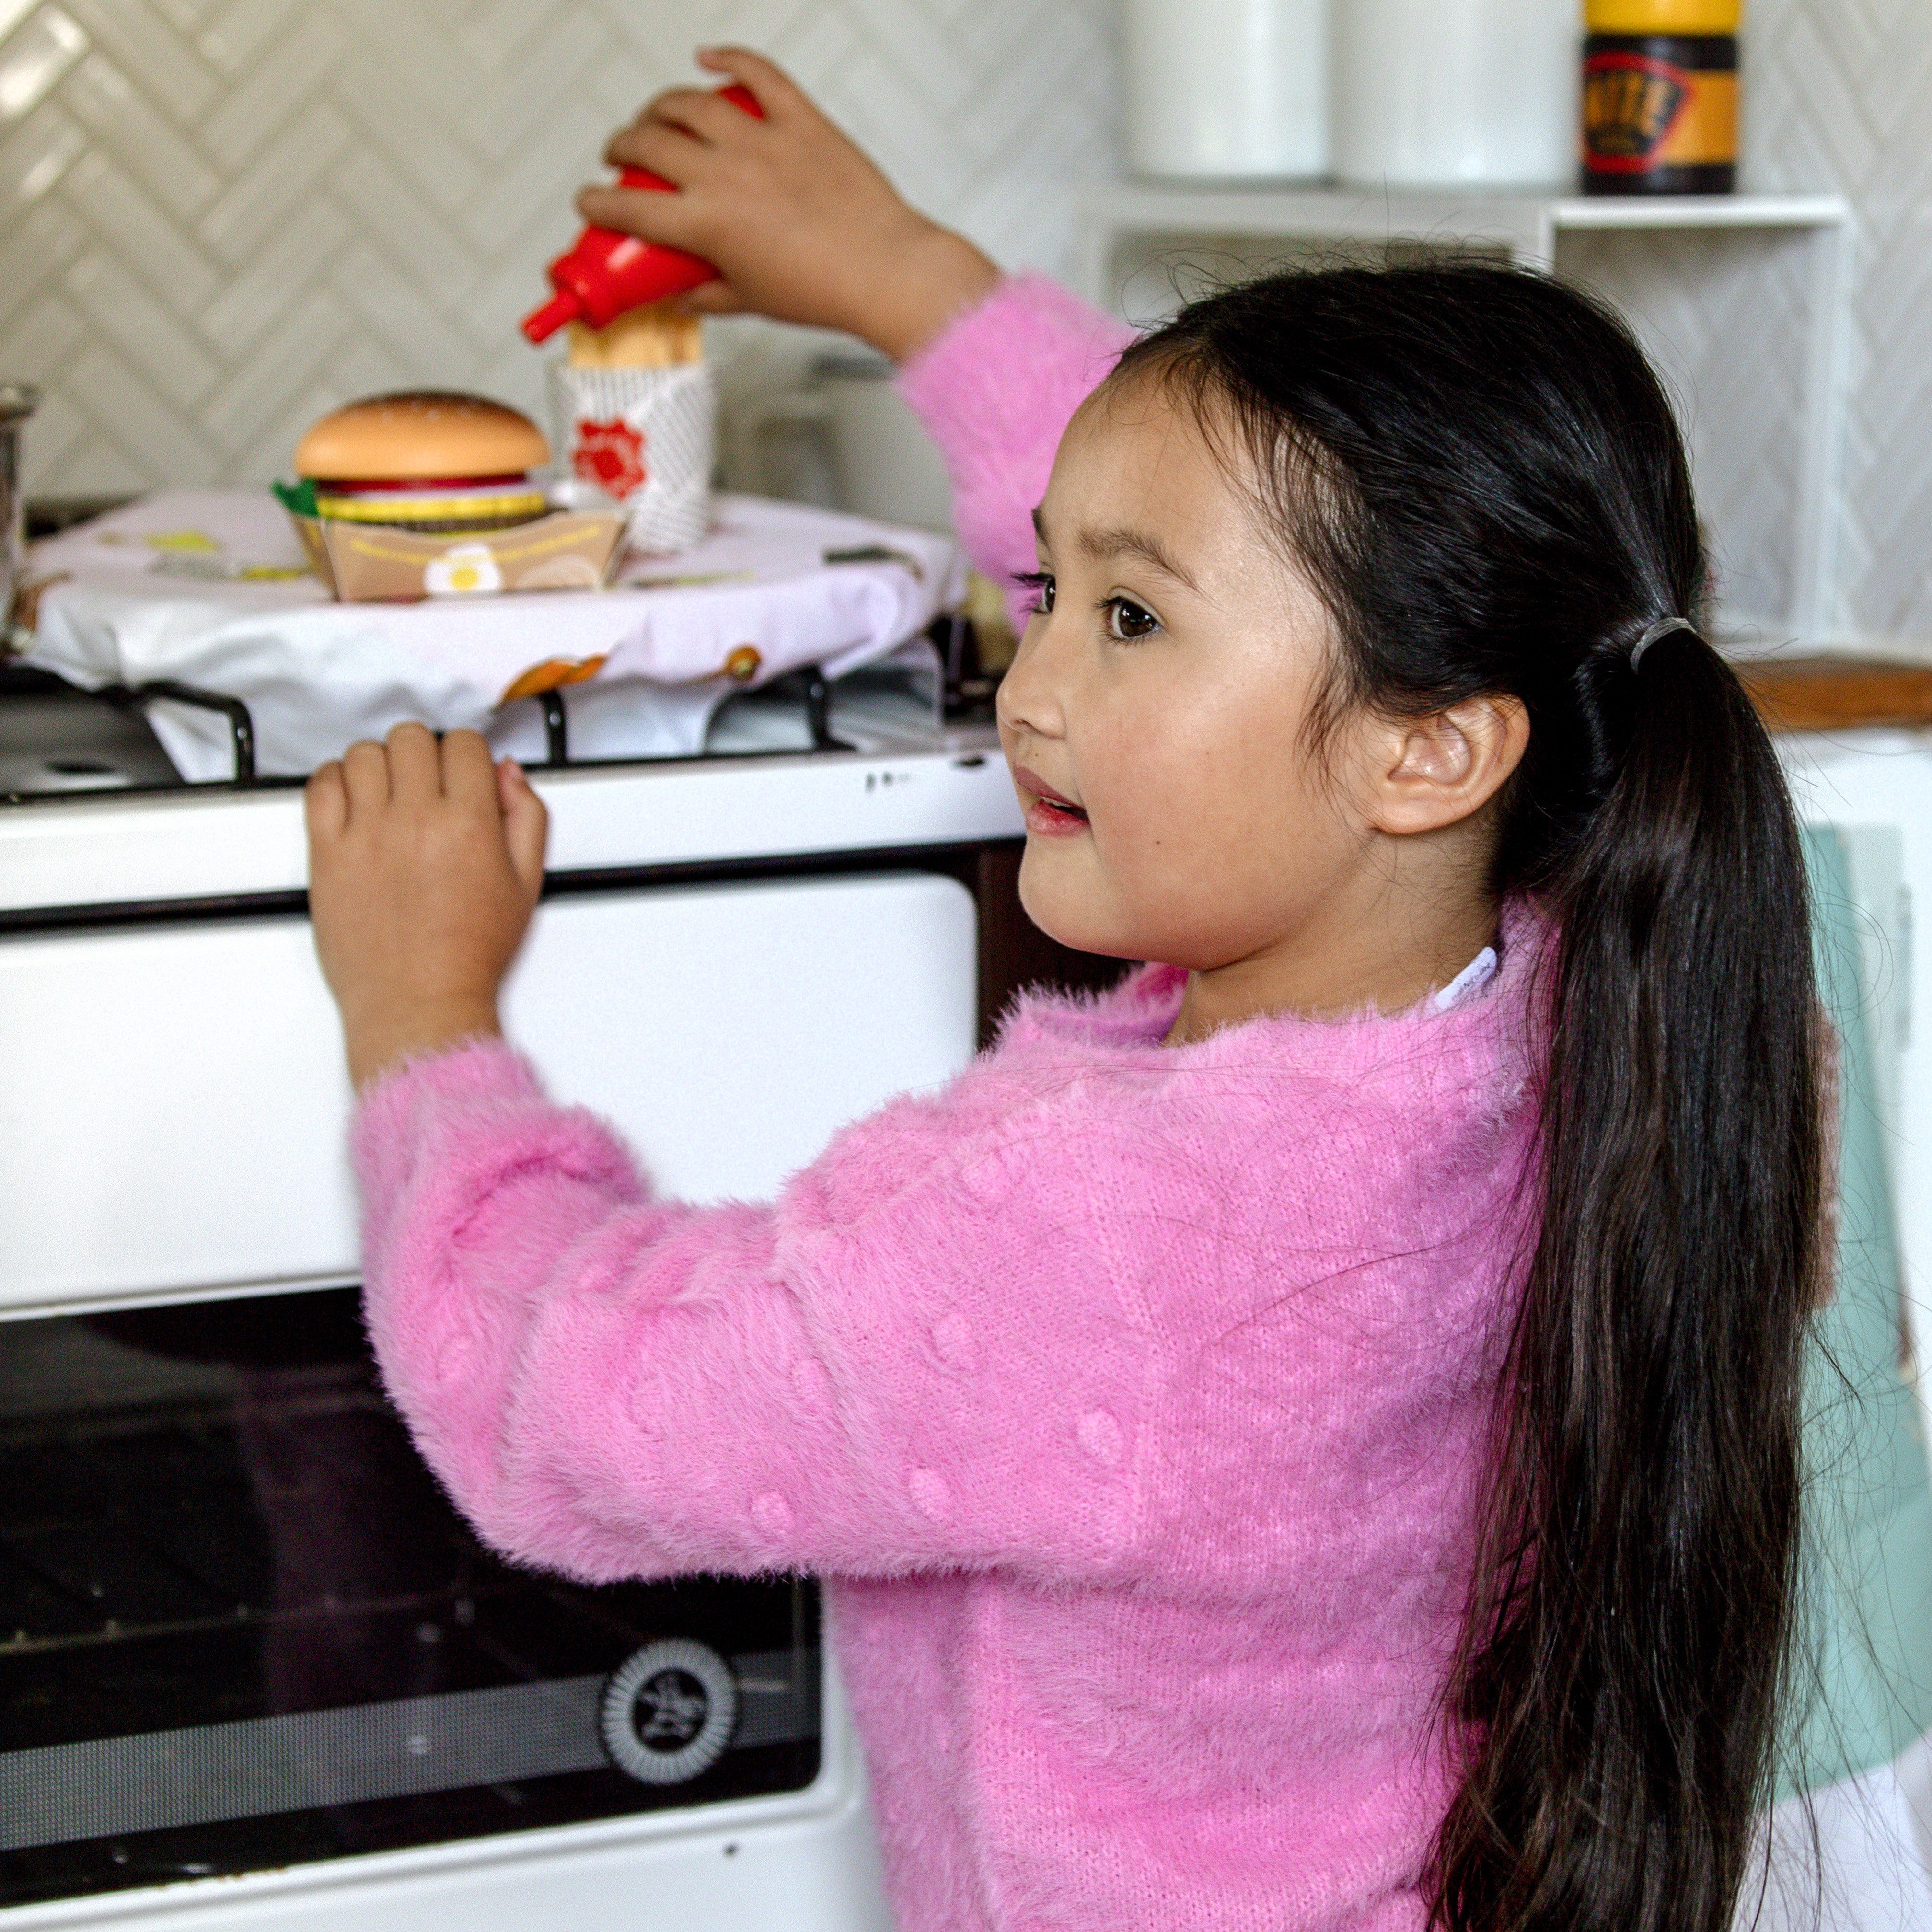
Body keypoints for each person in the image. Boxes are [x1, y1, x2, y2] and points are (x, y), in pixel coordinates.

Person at [304, 49, 1827, 1932]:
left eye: (1119, 625)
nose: (1029, 691)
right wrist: (903, 277)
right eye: (1048, 593)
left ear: (1431, 751)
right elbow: (1242, 551)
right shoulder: (1609, 992)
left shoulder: (1094, 1242)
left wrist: (419, 1013)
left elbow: (563, 1410)